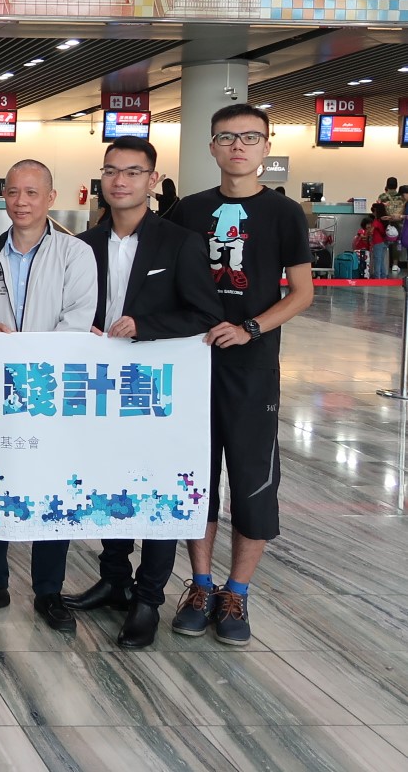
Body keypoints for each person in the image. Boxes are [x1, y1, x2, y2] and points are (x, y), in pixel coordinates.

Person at [63, 136, 223, 647]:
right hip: (98, 388)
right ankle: (114, 579)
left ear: (153, 181)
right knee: (107, 481)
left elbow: (205, 314)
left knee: (155, 488)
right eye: (111, 171)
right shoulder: (83, 245)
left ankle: (148, 598)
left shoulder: (179, 242)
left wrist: (144, 326)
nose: (120, 181)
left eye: (133, 172)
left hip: (156, 392)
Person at [167, 104, 313, 645]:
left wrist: (251, 328)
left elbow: (302, 293)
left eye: (250, 137)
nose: (237, 146)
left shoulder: (284, 213)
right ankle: (201, 585)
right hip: (192, 361)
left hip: (252, 367)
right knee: (196, 476)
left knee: (252, 480)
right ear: (211, 146)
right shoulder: (188, 209)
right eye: (226, 137)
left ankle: (237, 593)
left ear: (266, 147)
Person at [0, 160, 97, 633]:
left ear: (50, 197)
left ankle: (49, 591)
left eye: (32, 192)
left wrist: (30, 356)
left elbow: (78, 318)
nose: (21, 202)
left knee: (52, 486)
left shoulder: (75, 253)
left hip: (49, 390)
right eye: (13, 192)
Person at [370, 202, 392, 279]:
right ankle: (383, 276)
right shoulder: (385, 220)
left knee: (377, 260)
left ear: (376, 211)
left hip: (377, 242)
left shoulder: (376, 221)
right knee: (381, 260)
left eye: (373, 210)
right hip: (385, 242)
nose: (372, 212)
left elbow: (371, 231)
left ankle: (377, 277)